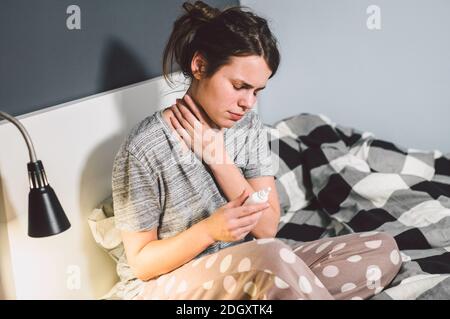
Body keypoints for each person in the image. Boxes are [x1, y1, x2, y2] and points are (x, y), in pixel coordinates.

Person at [111, 1, 401, 300]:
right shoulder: (144, 148)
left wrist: (217, 157)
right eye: (239, 86)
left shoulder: (247, 126)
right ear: (199, 66)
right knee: (273, 259)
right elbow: (142, 263)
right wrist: (210, 230)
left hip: (255, 267)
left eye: (257, 91)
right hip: (170, 286)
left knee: (382, 250)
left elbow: (266, 227)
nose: (248, 103)